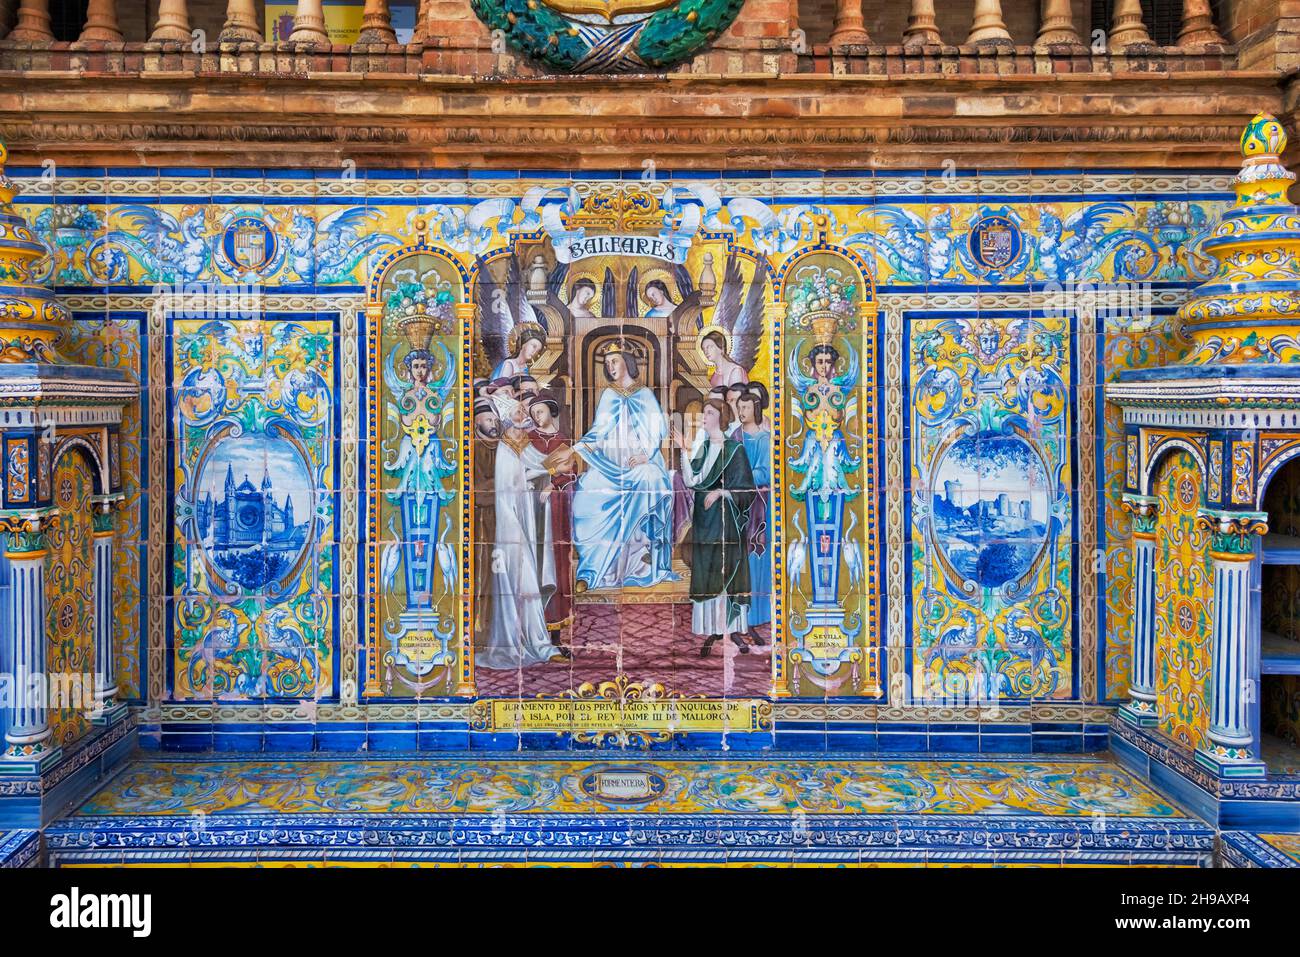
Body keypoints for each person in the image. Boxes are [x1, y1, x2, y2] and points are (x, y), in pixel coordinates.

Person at [571, 339, 677, 590]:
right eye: (607, 363)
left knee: (650, 480)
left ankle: (639, 562)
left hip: (639, 461)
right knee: (587, 494)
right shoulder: (608, 395)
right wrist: (580, 447)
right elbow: (599, 430)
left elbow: (657, 430)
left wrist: (646, 455)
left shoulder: (645, 394)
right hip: (611, 463)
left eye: (614, 361)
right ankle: (599, 569)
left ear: (627, 363)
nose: (610, 367)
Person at [477, 415, 562, 670]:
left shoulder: (519, 450)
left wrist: (548, 469)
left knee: (528, 586)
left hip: (519, 529)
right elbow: (510, 487)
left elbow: (531, 472)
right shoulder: (505, 452)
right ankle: (522, 643)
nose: (521, 434)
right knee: (519, 585)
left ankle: (539, 642)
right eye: (516, 429)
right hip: (508, 529)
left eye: (523, 429)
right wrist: (546, 470)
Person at [672, 398, 755, 657]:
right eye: (704, 413)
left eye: (708, 413)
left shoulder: (735, 450)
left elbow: (746, 490)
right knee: (707, 568)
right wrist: (685, 451)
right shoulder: (705, 447)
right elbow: (693, 480)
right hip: (706, 522)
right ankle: (714, 628)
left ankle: (732, 628)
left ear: (720, 416)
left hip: (727, 522)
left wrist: (721, 492)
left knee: (728, 566)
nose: (704, 417)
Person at [527, 392, 576, 643]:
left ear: (551, 411)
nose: (537, 416)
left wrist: (554, 484)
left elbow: (570, 472)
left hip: (555, 514)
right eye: (534, 413)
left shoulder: (561, 441)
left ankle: (555, 635)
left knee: (556, 567)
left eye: (541, 411)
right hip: (530, 511)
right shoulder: (528, 440)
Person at [732, 383, 772, 643]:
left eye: (746, 407)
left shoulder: (763, 438)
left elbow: (765, 471)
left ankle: (758, 615)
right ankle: (737, 617)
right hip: (736, 504)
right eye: (739, 407)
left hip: (758, 505)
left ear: (755, 408)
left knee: (757, 559)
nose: (742, 411)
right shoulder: (736, 435)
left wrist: (743, 477)